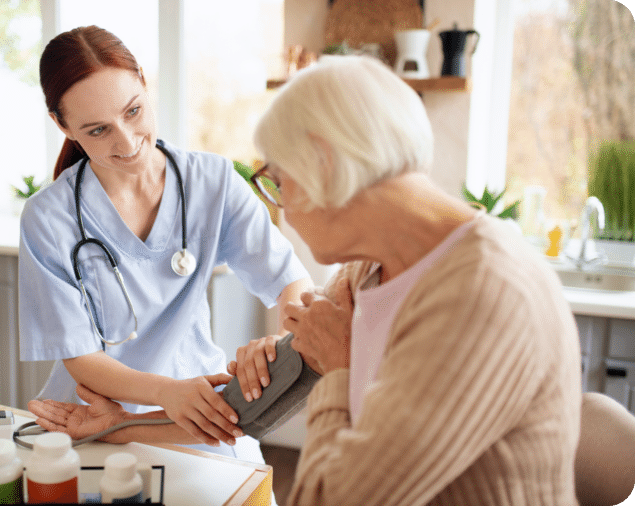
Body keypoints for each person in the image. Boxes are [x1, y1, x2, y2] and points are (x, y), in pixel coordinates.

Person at [246, 55, 582, 505]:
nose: (281, 206)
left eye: (279, 181)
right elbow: (304, 353)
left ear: (323, 164)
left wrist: (338, 367)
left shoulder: (484, 293)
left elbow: (327, 498)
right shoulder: (366, 269)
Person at [19, 25, 312, 465]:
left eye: (134, 111)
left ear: (143, 81)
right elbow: (80, 357)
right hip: (93, 418)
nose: (126, 141)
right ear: (62, 126)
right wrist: (164, 392)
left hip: (199, 411)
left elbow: (291, 283)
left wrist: (278, 349)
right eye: (97, 130)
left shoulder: (213, 183)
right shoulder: (48, 218)